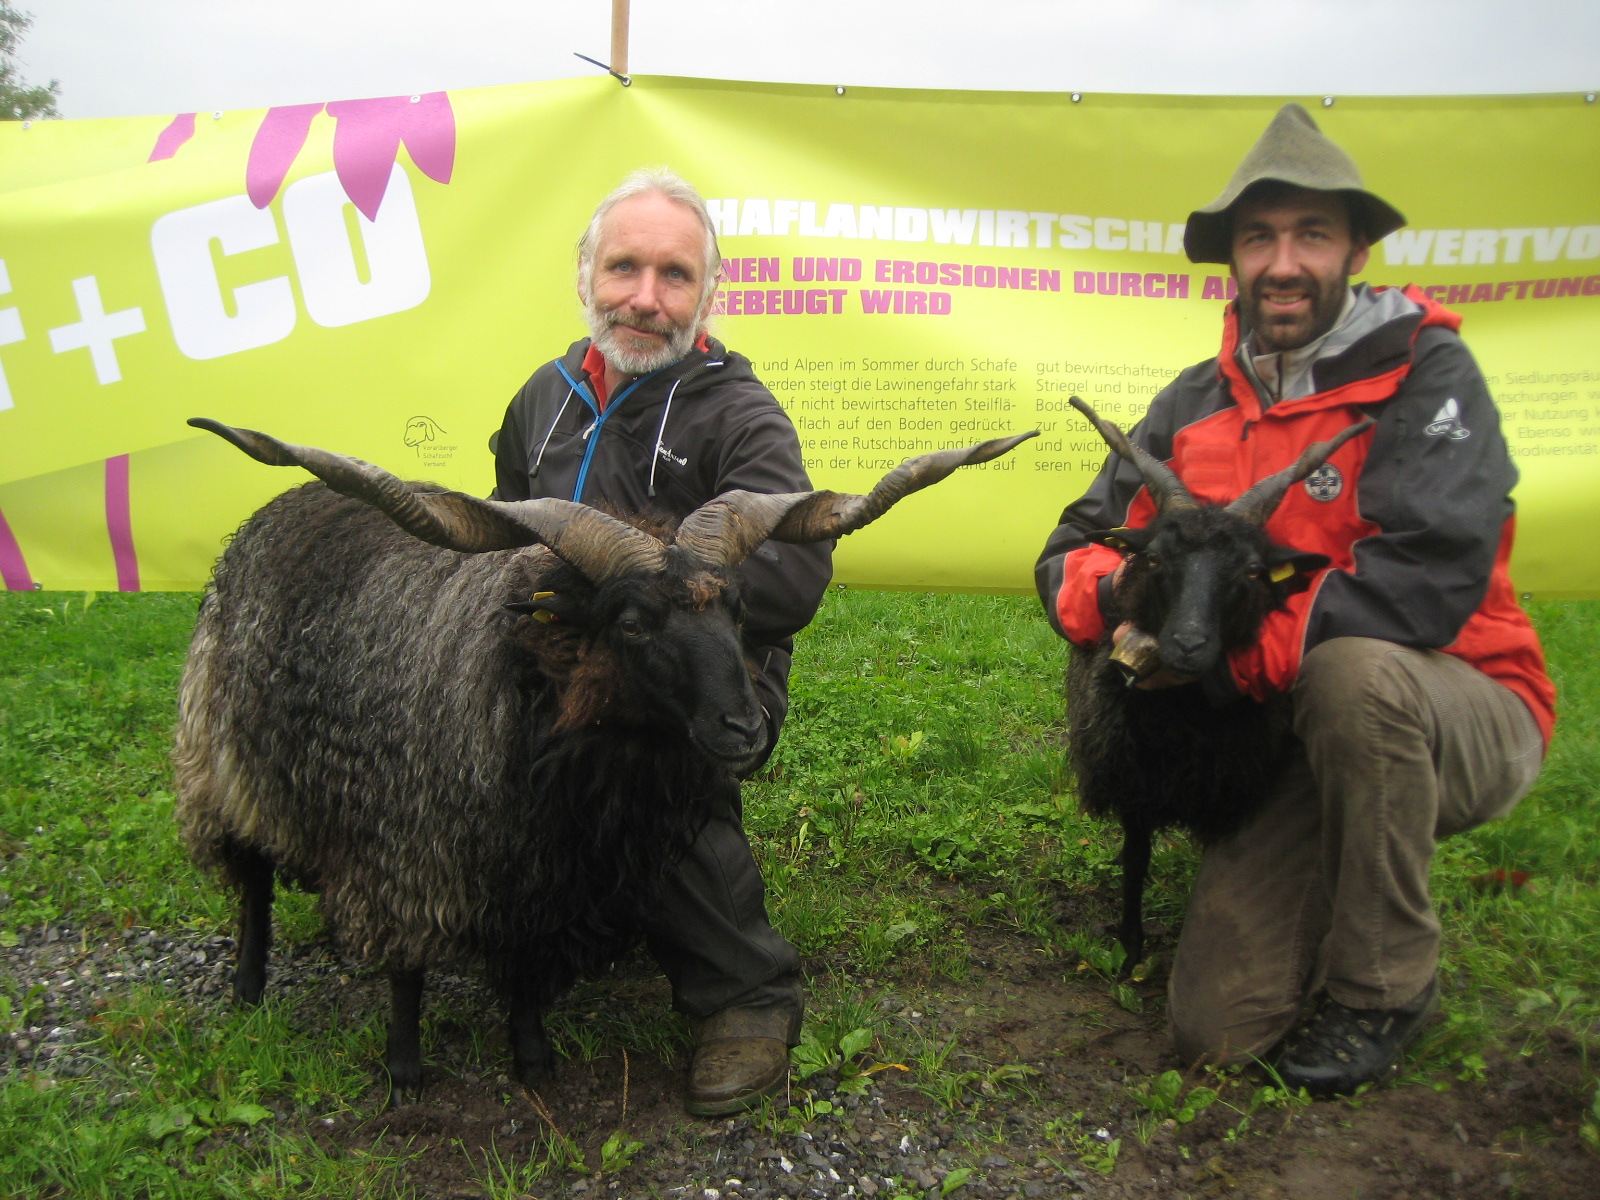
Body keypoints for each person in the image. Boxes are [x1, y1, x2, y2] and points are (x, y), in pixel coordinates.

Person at [1035, 104, 1554, 1096]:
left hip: (1454, 705)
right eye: (1259, 237)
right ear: (1231, 259)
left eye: (1311, 234)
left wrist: (1225, 658)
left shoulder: (1424, 375)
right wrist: (1130, 602)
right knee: (1216, 1030)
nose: (1283, 263)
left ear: (1355, 250)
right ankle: (1312, 872)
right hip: (1286, 734)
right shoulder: (1192, 402)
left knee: (1351, 677)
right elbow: (1074, 549)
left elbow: (1430, 573)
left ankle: (1382, 984)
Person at [491, 167, 832, 1116]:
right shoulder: (543, 398)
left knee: (629, 752)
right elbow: (505, 536)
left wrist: (661, 596)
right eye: (624, 268)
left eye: (674, 275)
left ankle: (745, 994)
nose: (645, 298)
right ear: (586, 275)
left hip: (707, 669)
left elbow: (796, 575)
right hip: (565, 655)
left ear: (708, 293)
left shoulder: (741, 416)